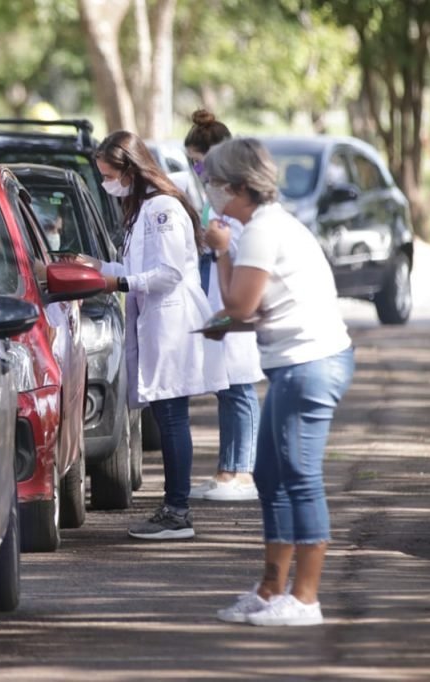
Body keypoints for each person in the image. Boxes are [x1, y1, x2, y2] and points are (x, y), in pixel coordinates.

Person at [199, 138, 355, 626]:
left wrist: (220, 253)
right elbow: (258, 311)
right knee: (269, 474)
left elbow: (240, 306)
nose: (210, 193)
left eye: (214, 184)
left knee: (300, 477)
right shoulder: (265, 227)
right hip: (296, 361)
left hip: (308, 363)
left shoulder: (261, 232)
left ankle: (305, 598)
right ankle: (272, 588)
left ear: (239, 187)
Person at [78, 130, 228, 540]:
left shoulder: (162, 209)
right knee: (166, 414)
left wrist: (116, 285)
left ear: (130, 168)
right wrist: (99, 267)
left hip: (172, 324)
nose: (108, 183)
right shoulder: (142, 209)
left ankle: (177, 512)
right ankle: (172, 507)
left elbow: (167, 274)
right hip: (157, 322)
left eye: (110, 175)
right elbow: (137, 268)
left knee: (172, 417)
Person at [183, 109, 264, 502]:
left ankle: (244, 472)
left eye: (199, 164)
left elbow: (239, 246)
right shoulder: (212, 198)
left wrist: (215, 244)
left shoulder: (240, 202)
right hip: (218, 295)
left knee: (240, 387)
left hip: (235, 297)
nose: (196, 173)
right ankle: (227, 469)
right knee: (225, 387)